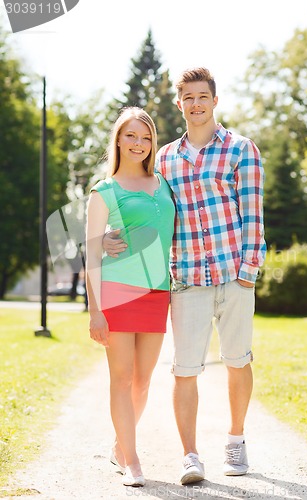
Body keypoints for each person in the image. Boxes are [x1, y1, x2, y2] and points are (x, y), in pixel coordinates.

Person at [103, 68, 266, 485]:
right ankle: (190, 455)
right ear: (179, 104)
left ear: (215, 100)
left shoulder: (241, 150)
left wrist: (248, 272)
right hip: (187, 278)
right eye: (188, 97)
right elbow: (135, 196)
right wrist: (107, 233)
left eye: (202, 96)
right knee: (184, 370)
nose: (195, 103)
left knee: (237, 361)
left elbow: (253, 214)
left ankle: (236, 438)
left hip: (234, 275)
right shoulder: (166, 159)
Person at [85, 107, 175, 487]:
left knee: (143, 381)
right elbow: (91, 252)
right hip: (118, 292)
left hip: (158, 292)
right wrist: (95, 312)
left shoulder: (164, 183)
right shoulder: (104, 191)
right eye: (131, 136)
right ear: (118, 140)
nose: (139, 143)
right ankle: (132, 459)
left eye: (146, 137)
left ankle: (120, 445)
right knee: (121, 379)